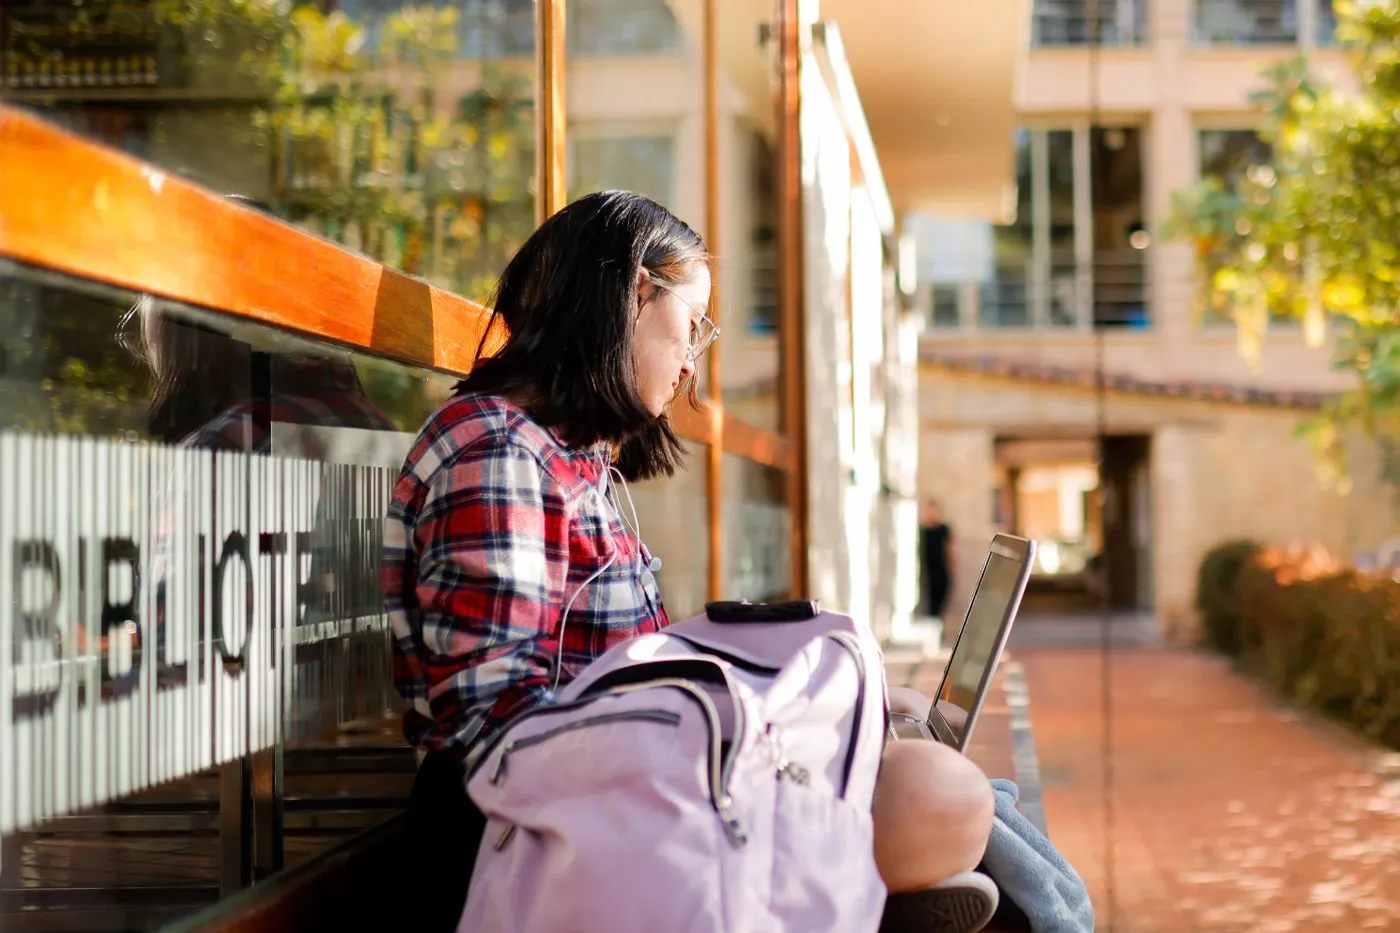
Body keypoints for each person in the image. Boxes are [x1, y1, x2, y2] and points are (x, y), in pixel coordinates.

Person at [381, 191, 998, 933]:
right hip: (520, 843)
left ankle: (842, 890)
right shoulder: (500, 452)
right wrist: (734, 723)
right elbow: (497, 732)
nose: (692, 361)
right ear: (636, 293)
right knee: (938, 795)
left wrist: (767, 704)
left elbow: (609, 683)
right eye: (695, 324)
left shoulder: (565, 460)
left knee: (931, 784)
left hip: (608, 806)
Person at [921, 499, 953, 622]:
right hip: (929, 573)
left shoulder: (943, 529)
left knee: (940, 604)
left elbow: (949, 549)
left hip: (941, 571)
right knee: (930, 607)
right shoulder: (923, 531)